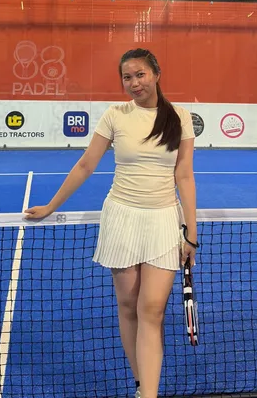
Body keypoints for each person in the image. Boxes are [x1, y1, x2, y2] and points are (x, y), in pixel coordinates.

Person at [25, 48, 198, 398]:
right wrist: (51, 207)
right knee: (129, 307)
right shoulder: (115, 115)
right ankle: (142, 385)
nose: (134, 83)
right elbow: (86, 165)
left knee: (152, 310)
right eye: (127, 77)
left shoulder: (179, 117)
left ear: (156, 74)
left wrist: (191, 234)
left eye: (140, 74)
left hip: (164, 220)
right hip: (121, 218)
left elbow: (184, 175)